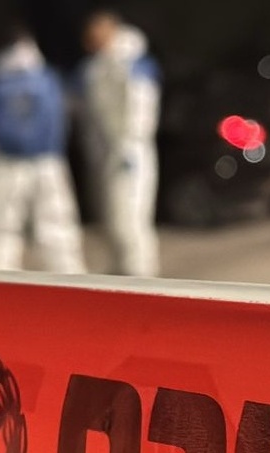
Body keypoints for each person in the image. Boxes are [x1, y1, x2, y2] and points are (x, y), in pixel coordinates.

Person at [0, 30, 86, 273]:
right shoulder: (49, 78)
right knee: (58, 232)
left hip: (10, 164)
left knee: (1, 233)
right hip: (45, 163)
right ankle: (72, 286)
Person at [79, 11, 163, 277]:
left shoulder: (132, 62)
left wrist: (128, 145)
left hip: (129, 151)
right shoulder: (98, 66)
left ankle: (141, 277)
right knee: (112, 218)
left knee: (130, 218)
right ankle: (122, 275)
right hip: (106, 154)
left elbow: (141, 108)